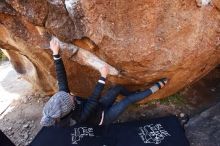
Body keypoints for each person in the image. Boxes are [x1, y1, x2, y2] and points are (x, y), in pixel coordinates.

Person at [40, 39, 168, 127]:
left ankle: (134, 94)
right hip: (103, 118)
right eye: (70, 97)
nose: (71, 94)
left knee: (117, 88)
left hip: (98, 106)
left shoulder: (62, 101)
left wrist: (55, 53)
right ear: (69, 108)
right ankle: (156, 87)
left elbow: (62, 78)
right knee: (126, 101)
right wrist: (102, 77)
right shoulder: (77, 118)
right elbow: (92, 101)